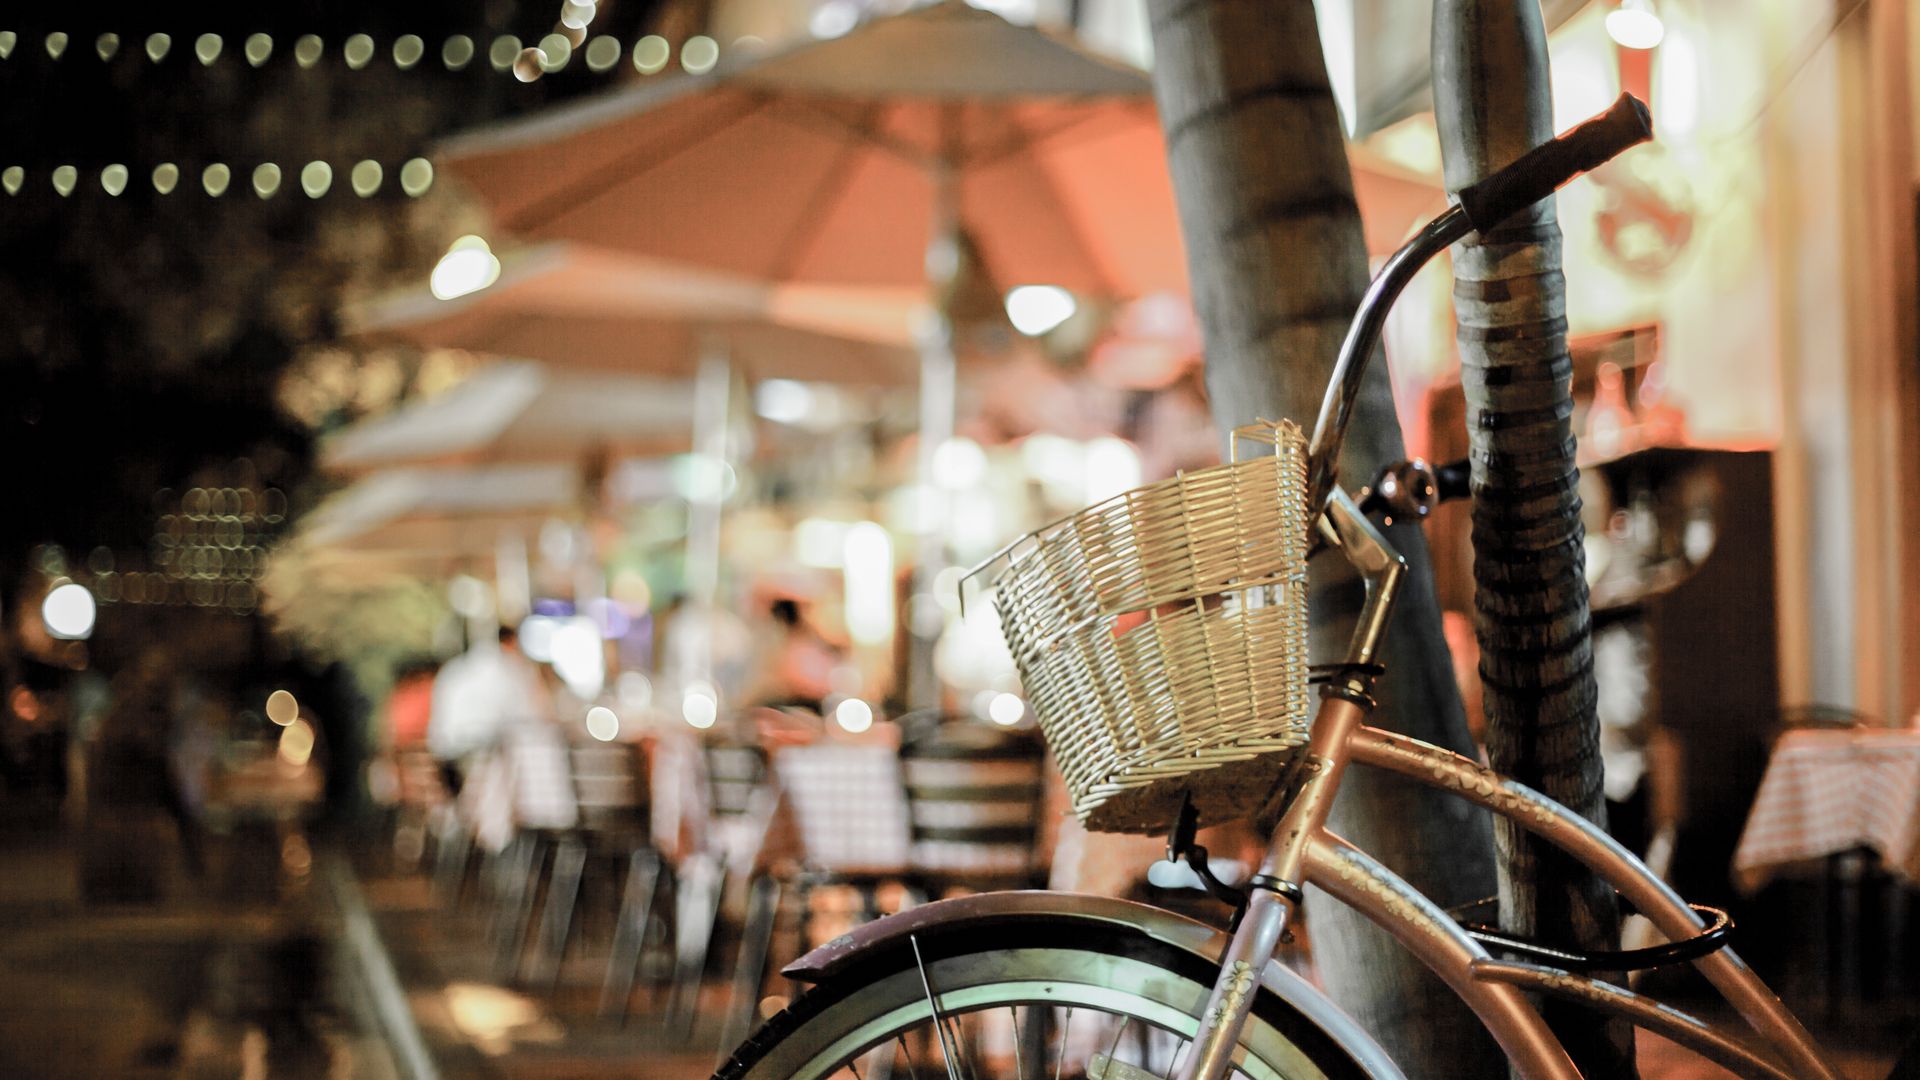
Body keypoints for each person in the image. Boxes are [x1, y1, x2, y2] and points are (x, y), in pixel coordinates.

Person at [426, 626, 545, 793]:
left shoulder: (454, 669)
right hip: (480, 755)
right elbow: (529, 716)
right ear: (510, 643)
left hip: (448, 758)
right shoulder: (504, 670)